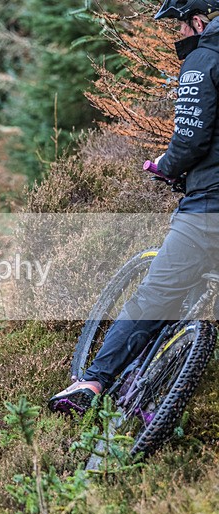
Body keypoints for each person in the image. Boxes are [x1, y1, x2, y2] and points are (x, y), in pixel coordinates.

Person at [48, 0, 219, 413]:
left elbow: (191, 138)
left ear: (198, 20)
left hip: (210, 206)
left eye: (178, 27)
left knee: (154, 296)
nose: (178, 36)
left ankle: (91, 383)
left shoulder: (203, 58)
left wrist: (164, 165)